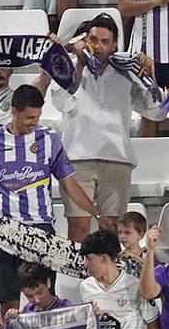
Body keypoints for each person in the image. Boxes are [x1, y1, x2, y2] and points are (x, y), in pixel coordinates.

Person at [0, 83, 101, 305]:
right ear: (14, 112)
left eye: (37, 117)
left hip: (39, 229)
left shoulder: (49, 139)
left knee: (44, 297)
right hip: (2, 231)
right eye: (29, 117)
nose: (34, 123)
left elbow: (69, 183)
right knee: (8, 303)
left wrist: (95, 212)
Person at [60, 14, 146, 243]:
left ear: (114, 45)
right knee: (78, 229)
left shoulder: (127, 71)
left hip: (117, 158)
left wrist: (151, 77)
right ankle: (80, 280)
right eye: (93, 39)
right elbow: (61, 101)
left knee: (113, 231)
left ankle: (109, 279)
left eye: (104, 41)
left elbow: (154, 111)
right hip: (77, 157)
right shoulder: (68, 67)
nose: (97, 46)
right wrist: (78, 63)